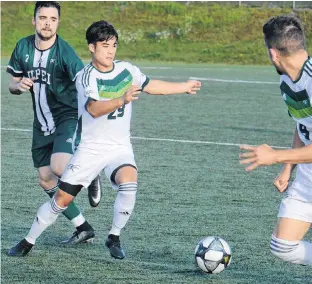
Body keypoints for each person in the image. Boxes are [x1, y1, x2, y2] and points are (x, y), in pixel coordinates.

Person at [8, 20, 201, 259]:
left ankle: (114, 236)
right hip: (90, 149)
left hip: (120, 147)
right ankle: (28, 240)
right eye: (104, 45)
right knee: (60, 200)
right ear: (91, 47)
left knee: (129, 183)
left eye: (114, 45)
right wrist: (121, 99)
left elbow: (152, 86)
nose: (110, 51)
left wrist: (184, 87)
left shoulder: (127, 70)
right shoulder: (85, 77)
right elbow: (93, 109)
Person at [6, 1, 102, 249]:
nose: (47, 23)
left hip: (66, 116)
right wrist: (19, 86)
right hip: (41, 122)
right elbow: (12, 84)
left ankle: (91, 174)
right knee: (46, 179)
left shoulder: (64, 52)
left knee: (60, 167)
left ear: (58, 22)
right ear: (34, 20)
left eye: (53, 19)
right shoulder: (23, 47)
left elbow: (84, 81)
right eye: (42, 17)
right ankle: (83, 227)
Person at [240, 15, 312, 266]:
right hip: (307, 175)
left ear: (273, 53)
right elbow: (303, 125)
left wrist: (275, 156)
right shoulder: (287, 80)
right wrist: (287, 168)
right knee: (283, 247)